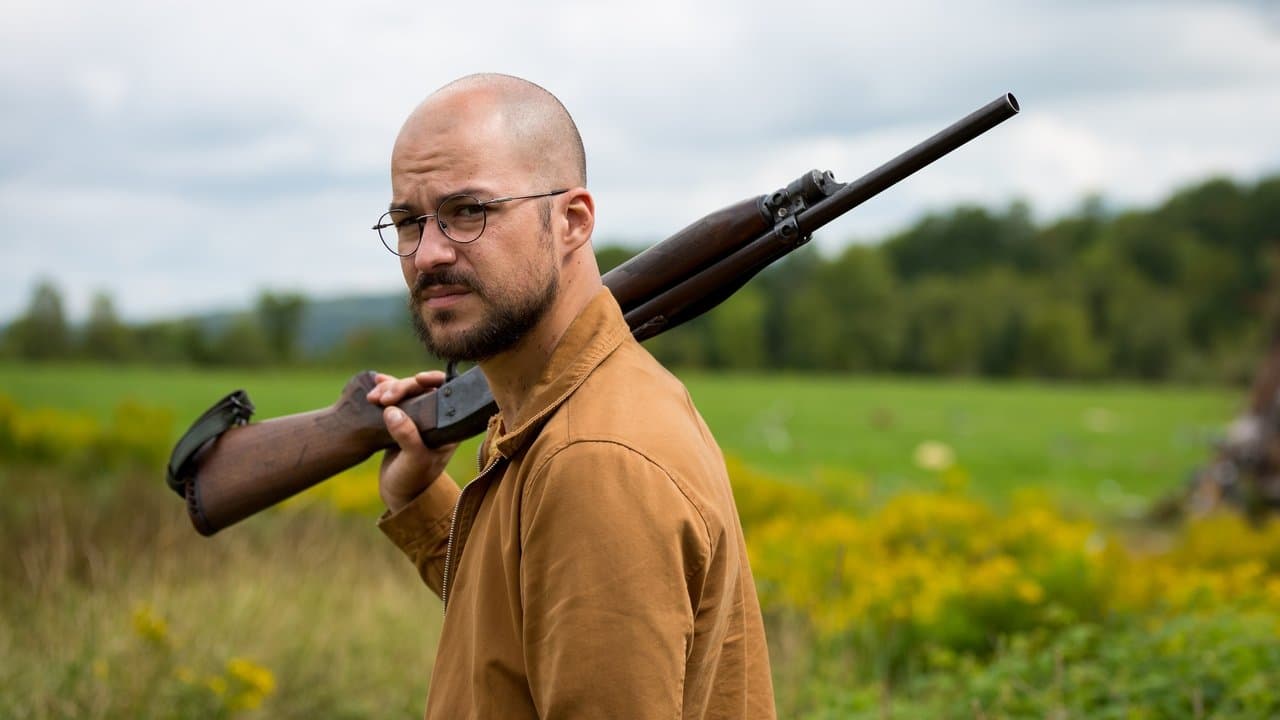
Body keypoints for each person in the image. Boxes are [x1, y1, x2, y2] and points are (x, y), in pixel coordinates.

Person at [365, 73, 775, 720]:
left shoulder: (591, 458)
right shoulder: (550, 413)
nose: (428, 254)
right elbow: (516, 639)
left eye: (469, 211)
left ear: (572, 221)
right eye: (408, 221)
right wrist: (417, 501)